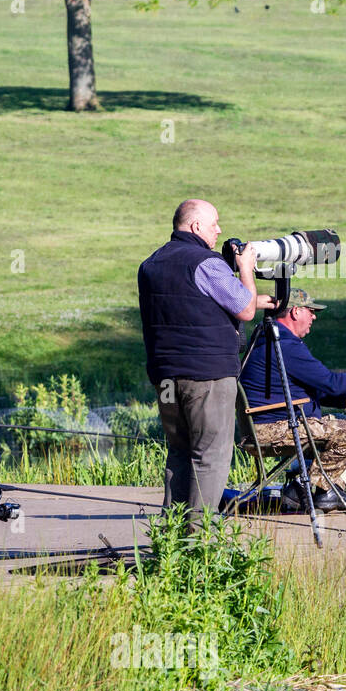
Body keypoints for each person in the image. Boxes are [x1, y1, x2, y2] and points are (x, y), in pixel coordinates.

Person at [137, 199, 277, 514]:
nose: (219, 230)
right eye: (215, 223)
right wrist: (244, 270)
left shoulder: (150, 265)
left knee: (180, 453)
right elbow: (245, 307)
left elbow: (189, 305)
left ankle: (171, 533)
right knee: (210, 456)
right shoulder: (206, 263)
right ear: (196, 226)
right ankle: (200, 540)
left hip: (166, 377)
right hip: (207, 377)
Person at [240, 289, 346, 512]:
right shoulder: (285, 346)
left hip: (262, 425)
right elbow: (331, 382)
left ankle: (306, 490)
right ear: (295, 311)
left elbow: (305, 389)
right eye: (311, 311)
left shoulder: (269, 338)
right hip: (272, 430)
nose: (314, 317)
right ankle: (322, 492)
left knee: (343, 421)